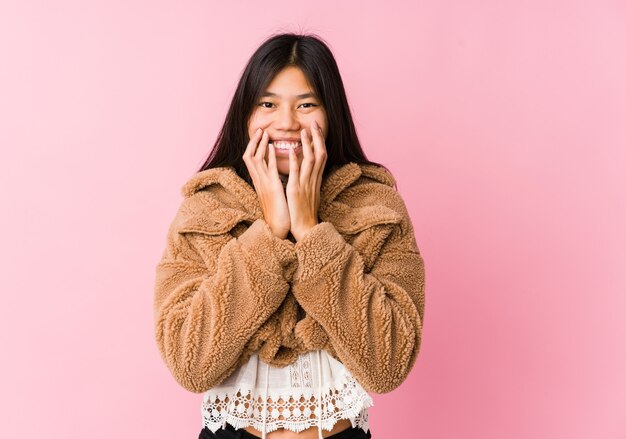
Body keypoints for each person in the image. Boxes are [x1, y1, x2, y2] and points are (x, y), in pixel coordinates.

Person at [153, 32, 426, 439]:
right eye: (267, 104)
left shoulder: (378, 206)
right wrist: (269, 235)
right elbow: (191, 364)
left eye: (306, 105)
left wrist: (311, 231)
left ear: (331, 113)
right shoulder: (205, 209)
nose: (286, 122)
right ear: (245, 116)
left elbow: (387, 365)